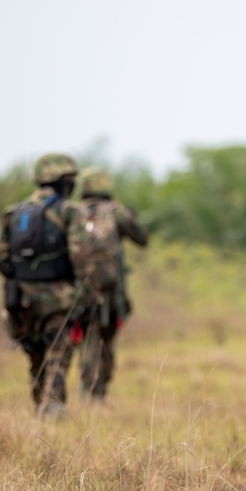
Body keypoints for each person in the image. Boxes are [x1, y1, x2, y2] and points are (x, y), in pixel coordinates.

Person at [0, 152, 86, 420]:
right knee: (58, 352)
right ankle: (53, 407)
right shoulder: (69, 211)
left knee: (35, 355)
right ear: (65, 181)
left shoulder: (14, 213)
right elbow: (82, 257)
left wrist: (26, 279)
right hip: (58, 299)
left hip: (21, 301)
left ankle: (40, 409)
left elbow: (1, 261)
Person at [71, 167, 149, 399]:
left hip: (79, 290)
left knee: (87, 338)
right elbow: (142, 239)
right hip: (112, 291)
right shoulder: (116, 212)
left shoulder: (73, 212)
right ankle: (99, 388)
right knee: (107, 339)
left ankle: (89, 387)